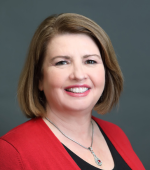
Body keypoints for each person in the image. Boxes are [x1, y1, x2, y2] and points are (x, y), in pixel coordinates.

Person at [0, 13, 145, 170]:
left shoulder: (116, 134)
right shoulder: (12, 152)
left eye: (90, 61)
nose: (79, 75)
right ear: (39, 79)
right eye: (62, 62)